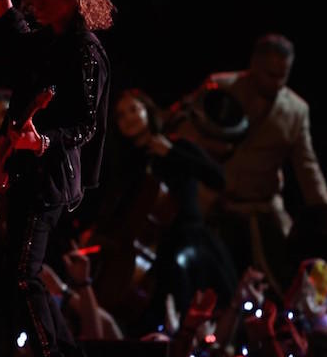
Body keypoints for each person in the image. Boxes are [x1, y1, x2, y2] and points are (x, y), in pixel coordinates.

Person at [0, 0, 112, 357]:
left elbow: (86, 124)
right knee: (23, 275)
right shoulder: (50, 42)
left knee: (22, 275)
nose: (35, 2)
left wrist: (42, 144)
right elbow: (16, 39)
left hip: (51, 177)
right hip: (27, 172)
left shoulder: (85, 51)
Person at [179, 34, 327, 294]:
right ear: (253, 65)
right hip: (214, 205)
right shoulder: (220, 87)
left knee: (282, 284)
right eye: (270, 74)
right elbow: (185, 133)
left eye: (283, 75)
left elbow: (308, 168)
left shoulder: (296, 110)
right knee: (203, 283)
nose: (276, 82)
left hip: (262, 211)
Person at [97, 88, 238, 333]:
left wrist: (172, 154)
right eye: (121, 115)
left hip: (188, 240)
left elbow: (218, 178)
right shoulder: (128, 162)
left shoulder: (177, 145)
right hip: (153, 250)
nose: (128, 118)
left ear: (148, 112)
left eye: (134, 110)